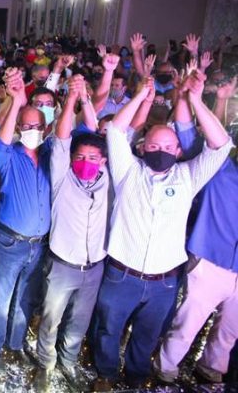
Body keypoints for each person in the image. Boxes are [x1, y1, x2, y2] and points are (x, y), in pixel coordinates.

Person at [92, 71, 232, 391]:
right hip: (122, 274)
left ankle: (136, 377)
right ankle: (106, 374)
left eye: (168, 146)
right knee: (108, 329)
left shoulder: (188, 176)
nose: (161, 150)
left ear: (178, 151)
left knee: (148, 334)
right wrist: (141, 97)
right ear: (142, 148)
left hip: (164, 281)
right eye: (154, 145)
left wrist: (195, 99)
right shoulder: (127, 171)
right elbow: (115, 130)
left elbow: (221, 145)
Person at [155, 79, 238, 385]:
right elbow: (188, 134)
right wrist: (192, 98)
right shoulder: (222, 170)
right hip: (211, 261)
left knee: (229, 330)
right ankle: (165, 369)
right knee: (187, 324)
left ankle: (211, 369)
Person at [32, 75, 110, 392]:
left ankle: (69, 361)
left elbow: (102, 131)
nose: (85, 163)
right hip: (62, 265)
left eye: (92, 158)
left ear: (104, 161)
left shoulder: (110, 181)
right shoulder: (63, 178)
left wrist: (87, 100)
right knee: (51, 318)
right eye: (79, 157)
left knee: (80, 320)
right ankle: (45, 363)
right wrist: (71, 101)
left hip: (94, 268)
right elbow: (63, 136)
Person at [0, 67, 53, 371]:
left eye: (36, 125)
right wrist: (16, 101)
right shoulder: (8, 155)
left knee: (25, 299)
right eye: (25, 125)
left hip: (39, 245)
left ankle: (15, 344)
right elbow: (0, 142)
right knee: (1, 298)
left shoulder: (51, 156)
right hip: (10, 241)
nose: (31, 130)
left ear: (45, 128)